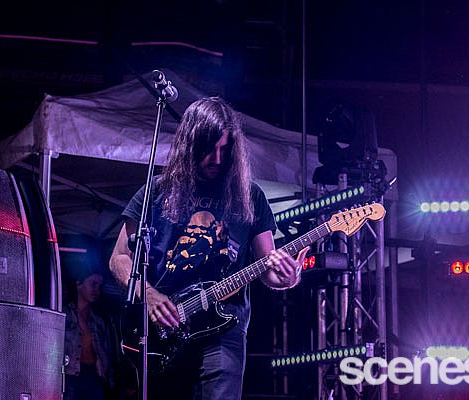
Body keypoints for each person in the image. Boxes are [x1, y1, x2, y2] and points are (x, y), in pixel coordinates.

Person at [109, 96, 308, 399]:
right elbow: (119, 258)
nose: (216, 159)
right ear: (189, 145)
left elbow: (268, 266)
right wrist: (148, 295)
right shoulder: (157, 190)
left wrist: (287, 277)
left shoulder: (249, 196)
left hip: (224, 325)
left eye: (224, 149)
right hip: (165, 324)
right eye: (207, 149)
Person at [64, 267, 115, 400]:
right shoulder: (64, 315)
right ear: (79, 284)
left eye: (99, 286)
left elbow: (107, 352)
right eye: (93, 284)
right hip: (70, 375)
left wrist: (108, 380)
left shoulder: (98, 321)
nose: (97, 290)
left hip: (94, 375)